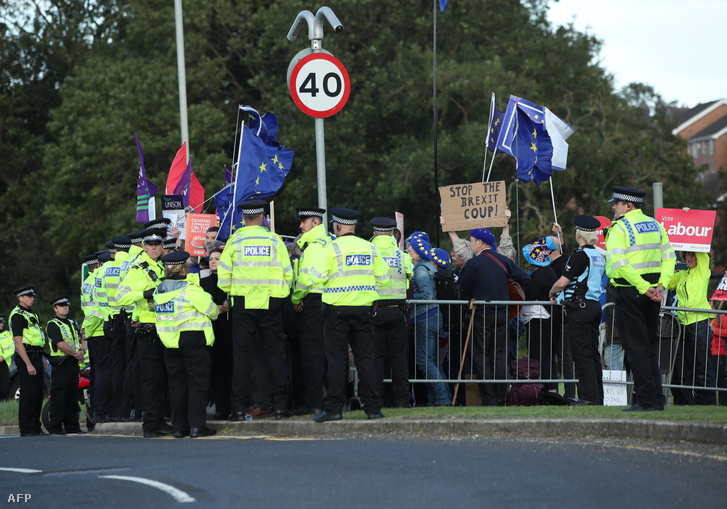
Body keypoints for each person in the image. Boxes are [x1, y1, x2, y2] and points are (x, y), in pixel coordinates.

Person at [301, 207, 388, 422]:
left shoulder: (331, 248)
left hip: (337, 312)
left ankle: (334, 409)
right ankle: (373, 409)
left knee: (337, 361)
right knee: (366, 360)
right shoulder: (369, 248)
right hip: (364, 311)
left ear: (337, 226)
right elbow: (384, 277)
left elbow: (315, 277)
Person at [217, 200, 293, 421]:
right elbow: (288, 274)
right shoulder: (274, 240)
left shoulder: (235, 241)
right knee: (276, 355)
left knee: (241, 357)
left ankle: (238, 409)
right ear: (261, 218)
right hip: (271, 304)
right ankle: (279, 407)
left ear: (243, 218)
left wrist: (236, 293)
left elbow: (223, 279)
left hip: (243, 304)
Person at [605, 186, 676, 411]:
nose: (614, 208)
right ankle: (656, 400)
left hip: (631, 291)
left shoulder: (619, 227)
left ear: (629, 205)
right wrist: (661, 286)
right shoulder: (656, 225)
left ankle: (646, 401)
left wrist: (645, 288)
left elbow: (620, 264)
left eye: (616, 204)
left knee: (636, 348)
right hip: (652, 293)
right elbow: (669, 257)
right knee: (650, 347)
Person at [458, 229, 531, 406]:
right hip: (504, 312)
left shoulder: (473, 263)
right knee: (500, 354)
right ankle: (500, 396)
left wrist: (471, 297)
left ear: (480, 243)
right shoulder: (503, 259)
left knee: (481, 355)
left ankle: (489, 398)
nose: (471, 244)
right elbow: (525, 279)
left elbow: (462, 290)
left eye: (472, 241)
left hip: (482, 313)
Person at [154, 251, 220, 438]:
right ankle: (197, 426)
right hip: (193, 340)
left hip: (170, 343)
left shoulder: (160, 291)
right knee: (197, 385)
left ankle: (179, 427)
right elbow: (213, 311)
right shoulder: (191, 290)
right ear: (184, 270)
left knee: (177, 387)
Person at [117, 228, 172, 437]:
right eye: (150, 245)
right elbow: (121, 297)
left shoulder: (160, 266)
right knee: (151, 379)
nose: (154, 248)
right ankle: (151, 424)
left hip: (163, 328)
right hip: (149, 331)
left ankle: (158, 420)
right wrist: (144, 293)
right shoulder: (138, 269)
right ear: (144, 246)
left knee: (160, 379)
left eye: (157, 245)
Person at [549, 215, 607, 405]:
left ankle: (589, 398)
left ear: (579, 235)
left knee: (581, 356)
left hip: (579, 309)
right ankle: (597, 396)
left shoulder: (580, 256)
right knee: (592, 354)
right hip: (594, 306)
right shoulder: (598, 255)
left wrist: (552, 292)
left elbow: (563, 282)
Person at [290, 206, 332, 415]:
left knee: (311, 355)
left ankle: (313, 402)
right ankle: (333, 400)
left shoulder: (314, 246)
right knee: (326, 354)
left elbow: (306, 279)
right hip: (328, 301)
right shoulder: (329, 241)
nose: (300, 225)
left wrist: (296, 298)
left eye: (303, 222)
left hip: (312, 301)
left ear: (315, 222)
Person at [371, 217, 413, 408]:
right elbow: (408, 277)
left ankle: (377, 399)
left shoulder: (369, 252)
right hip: (398, 312)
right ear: (392, 233)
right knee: (399, 359)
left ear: (374, 233)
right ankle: (403, 400)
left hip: (375, 312)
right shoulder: (402, 255)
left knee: (376, 359)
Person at [666, 249, 716, 405]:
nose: (690, 257)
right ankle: (687, 402)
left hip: (699, 323)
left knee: (702, 366)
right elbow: (667, 281)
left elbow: (701, 250)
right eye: (687, 254)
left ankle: (707, 403)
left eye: (693, 254)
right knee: (684, 367)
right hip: (683, 325)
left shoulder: (703, 269)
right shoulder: (683, 273)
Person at [407, 236, 451, 406]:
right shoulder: (427, 268)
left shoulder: (420, 270)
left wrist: (408, 298)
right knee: (432, 362)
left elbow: (426, 295)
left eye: (410, 251)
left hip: (425, 317)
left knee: (424, 362)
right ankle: (439, 398)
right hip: (433, 316)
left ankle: (442, 398)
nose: (408, 253)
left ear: (417, 254)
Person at [521, 238, 558, 394]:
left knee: (538, 356)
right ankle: (551, 388)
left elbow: (529, 295)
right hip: (545, 319)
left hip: (539, 319)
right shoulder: (547, 272)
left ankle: (541, 389)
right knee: (547, 356)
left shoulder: (539, 275)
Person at [46, 296, 86, 434]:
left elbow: (81, 339)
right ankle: (55, 428)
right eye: (61, 305)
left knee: (72, 397)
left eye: (66, 305)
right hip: (61, 364)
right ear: (55, 308)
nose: (65, 307)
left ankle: (73, 427)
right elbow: (60, 344)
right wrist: (77, 354)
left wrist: (82, 351)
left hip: (73, 363)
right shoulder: (53, 324)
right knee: (59, 397)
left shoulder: (72, 322)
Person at [200, 247, 233, 420]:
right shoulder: (203, 281)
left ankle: (233, 407)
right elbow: (205, 304)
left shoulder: (230, 280)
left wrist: (228, 304)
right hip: (211, 329)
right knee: (217, 370)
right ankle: (221, 407)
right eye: (211, 258)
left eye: (217, 259)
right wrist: (217, 308)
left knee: (231, 368)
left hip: (229, 328)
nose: (213, 261)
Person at [10, 286, 47, 436]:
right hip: (26, 357)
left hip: (36, 355)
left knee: (38, 393)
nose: (32, 298)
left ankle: (35, 427)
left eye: (32, 296)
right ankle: (26, 429)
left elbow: (37, 338)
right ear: (20, 298)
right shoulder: (18, 315)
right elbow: (18, 342)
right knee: (28, 394)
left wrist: (42, 357)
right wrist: (28, 363)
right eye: (29, 296)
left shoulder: (30, 314)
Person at [710, 311, 727, 406]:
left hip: (719, 353)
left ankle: (724, 404)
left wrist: (714, 330)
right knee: (709, 380)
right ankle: (711, 403)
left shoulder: (720, 317)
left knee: (721, 380)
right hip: (707, 353)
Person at [0, 317, 13, 400]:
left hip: (3, 363)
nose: (2, 324)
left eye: (2, 322)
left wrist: (3, 357)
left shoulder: (7, 334)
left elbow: (12, 348)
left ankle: (5, 405)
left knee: (4, 388)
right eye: (0, 322)